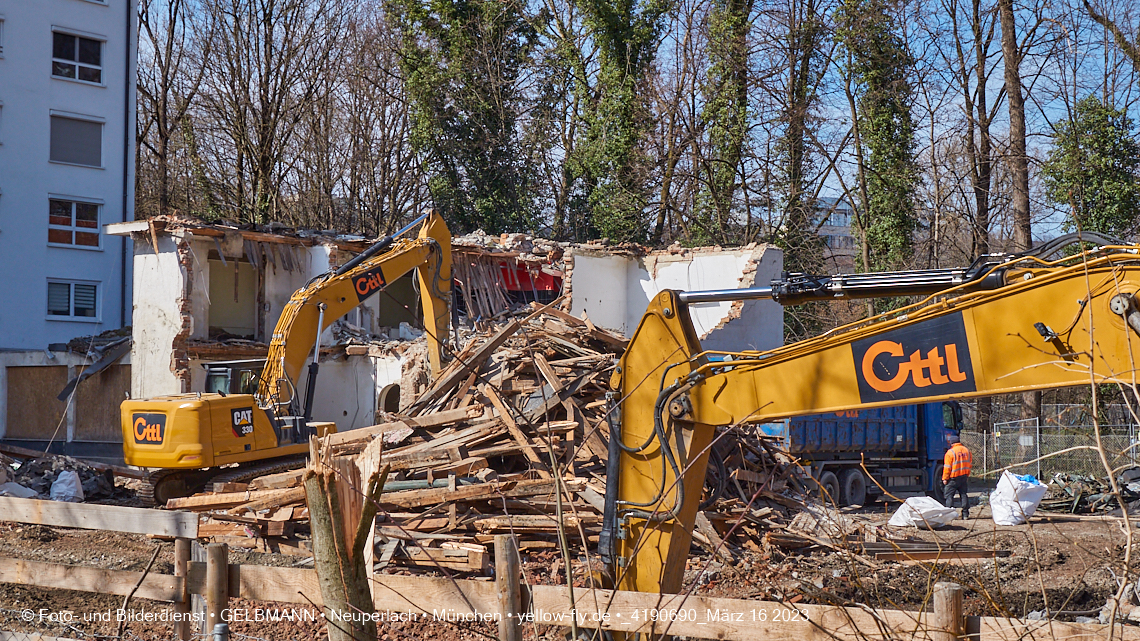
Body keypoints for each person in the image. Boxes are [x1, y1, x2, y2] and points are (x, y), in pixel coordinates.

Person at [943, 433, 972, 518]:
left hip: (953, 478)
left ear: (951, 443)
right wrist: (967, 475)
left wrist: (945, 478)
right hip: (963, 477)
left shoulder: (950, 452)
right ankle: (965, 514)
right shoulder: (967, 451)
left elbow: (947, 468)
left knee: (949, 496)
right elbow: (969, 464)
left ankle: (949, 514)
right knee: (963, 494)